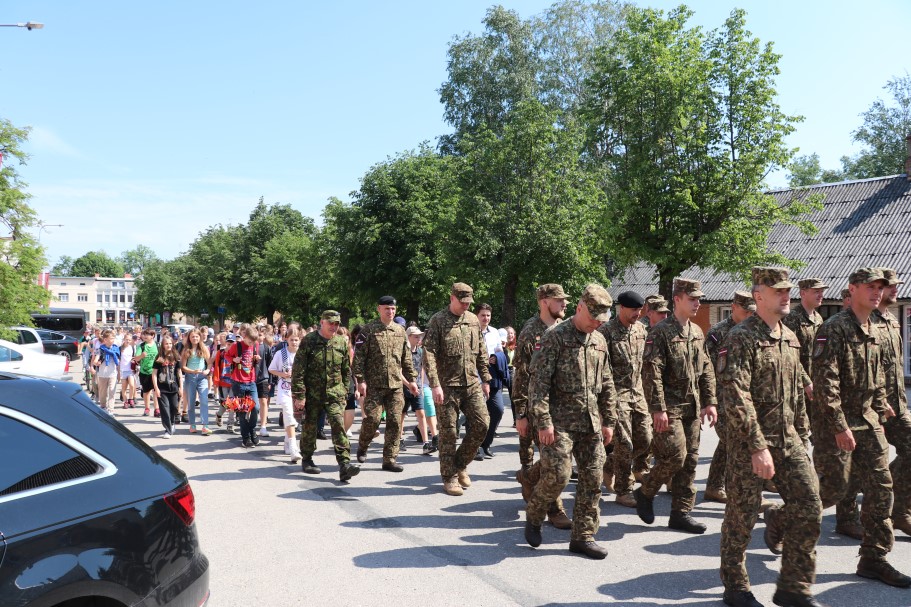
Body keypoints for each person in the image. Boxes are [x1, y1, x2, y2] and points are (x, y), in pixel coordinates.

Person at [717, 267, 825, 607]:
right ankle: (735, 587)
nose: (785, 295)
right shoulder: (741, 337)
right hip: (750, 444)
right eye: (778, 290)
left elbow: (796, 394)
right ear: (758, 296)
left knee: (810, 506)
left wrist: (802, 434)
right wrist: (756, 445)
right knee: (741, 517)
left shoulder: (789, 337)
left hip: (789, 440)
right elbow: (736, 394)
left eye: (787, 290)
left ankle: (793, 587)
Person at [809, 267, 908, 588]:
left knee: (881, 489)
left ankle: (873, 558)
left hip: (868, 421)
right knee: (833, 490)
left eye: (880, 287)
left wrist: (881, 404)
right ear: (852, 290)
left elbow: (877, 377)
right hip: (835, 424)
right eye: (870, 287)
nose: (877, 292)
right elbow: (825, 383)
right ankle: (781, 519)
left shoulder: (875, 329)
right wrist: (839, 426)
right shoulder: (833, 328)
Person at [524, 284, 617, 559]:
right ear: (579, 308)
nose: (596, 324)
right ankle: (535, 513)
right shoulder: (555, 337)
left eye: (601, 320)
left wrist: (609, 420)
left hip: (590, 423)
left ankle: (583, 536)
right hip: (559, 422)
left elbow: (607, 383)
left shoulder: (599, 341)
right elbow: (538, 385)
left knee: (593, 478)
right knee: (559, 475)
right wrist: (543, 422)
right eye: (593, 318)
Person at [636, 278, 718, 534]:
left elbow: (706, 369)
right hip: (669, 406)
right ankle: (646, 490)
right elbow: (652, 373)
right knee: (675, 456)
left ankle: (681, 513)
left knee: (690, 461)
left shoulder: (697, 332)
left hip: (691, 406)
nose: (697, 303)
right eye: (692, 299)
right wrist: (657, 408)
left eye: (699, 299)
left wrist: (710, 401)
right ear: (677, 300)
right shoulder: (660, 332)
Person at [422, 282, 491, 496]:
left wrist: (486, 378)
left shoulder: (472, 320)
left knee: (482, 424)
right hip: (447, 385)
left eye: (469, 303)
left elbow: (481, 350)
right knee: (449, 432)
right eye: (462, 302)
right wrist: (435, 384)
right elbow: (429, 354)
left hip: (471, 383)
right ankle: (449, 477)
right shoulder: (438, 320)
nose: (466, 306)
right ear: (452, 298)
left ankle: (460, 463)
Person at [514, 283, 572, 529]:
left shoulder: (566, 328)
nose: (565, 303)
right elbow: (521, 375)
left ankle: (528, 477)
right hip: (538, 406)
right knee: (553, 461)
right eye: (559, 300)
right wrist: (521, 413)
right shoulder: (531, 332)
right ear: (545, 302)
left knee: (560, 458)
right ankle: (555, 510)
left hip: (564, 407)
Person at [291, 310, 361, 482]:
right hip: (312, 393)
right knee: (310, 426)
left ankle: (344, 464)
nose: (334, 326)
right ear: (322, 322)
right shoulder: (309, 340)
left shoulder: (341, 342)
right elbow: (298, 370)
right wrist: (299, 395)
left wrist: (345, 391)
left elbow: (346, 369)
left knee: (338, 425)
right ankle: (307, 458)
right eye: (330, 323)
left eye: (336, 324)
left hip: (335, 393)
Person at [353, 296, 419, 472]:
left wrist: (412, 381)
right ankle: (363, 445)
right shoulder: (368, 330)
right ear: (379, 309)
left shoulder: (400, 331)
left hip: (395, 385)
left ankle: (389, 459)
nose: (390, 312)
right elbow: (358, 358)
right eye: (387, 308)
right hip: (374, 385)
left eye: (393, 309)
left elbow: (406, 359)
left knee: (395, 422)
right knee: (373, 419)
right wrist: (361, 380)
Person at [598, 290, 649, 509]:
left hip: (638, 393)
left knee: (645, 440)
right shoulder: (606, 332)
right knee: (625, 444)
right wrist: (602, 405)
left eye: (640, 310)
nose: (638, 313)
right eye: (634, 310)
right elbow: (600, 370)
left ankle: (610, 465)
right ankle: (624, 490)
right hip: (616, 395)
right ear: (621, 308)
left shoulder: (641, 330)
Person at [703, 291, 756, 504]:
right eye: (746, 312)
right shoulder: (718, 333)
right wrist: (709, 400)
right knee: (733, 441)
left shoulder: (752, 330)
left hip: (743, 396)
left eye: (752, 312)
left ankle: (714, 486)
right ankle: (740, 492)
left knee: (728, 442)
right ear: (733, 308)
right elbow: (707, 368)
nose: (750, 316)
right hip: (722, 396)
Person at [873, 268, 911, 538]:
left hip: (896, 405)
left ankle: (900, 512)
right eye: (890, 285)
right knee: (845, 479)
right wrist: (880, 401)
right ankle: (783, 515)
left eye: (896, 285)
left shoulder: (892, 321)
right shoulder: (867, 322)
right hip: (873, 408)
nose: (895, 289)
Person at [269, 327, 303, 463]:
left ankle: (287, 441)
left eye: (296, 340)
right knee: (289, 414)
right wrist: (282, 374)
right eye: (291, 340)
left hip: (298, 389)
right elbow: (271, 369)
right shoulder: (281, 353)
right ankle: (294, 448)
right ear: (286, 340)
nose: (294, 342)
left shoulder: (302, 354)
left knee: (295, 416)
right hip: (284, 388)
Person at [225, 324, 261, 448]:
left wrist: (256, 358)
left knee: (255, 407)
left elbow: (253, 359)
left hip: (251, 381)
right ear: (244, 336)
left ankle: (252, 430)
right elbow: (227, 355)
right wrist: (233, 360)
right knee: (242, 411)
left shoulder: (255, 345)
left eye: (253, 342)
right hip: (238, 382)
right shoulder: (237, 345)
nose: (251, 344)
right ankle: (246, 437)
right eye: (250, 342)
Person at [479, 346, 510, 458]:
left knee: (498, 410)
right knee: (475, 415)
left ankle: (486, 444)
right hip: (474, 379)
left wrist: (497, 357)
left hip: (493, 381)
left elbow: (503, 354)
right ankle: (475, 448)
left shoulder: (494, 335)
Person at [181, 328, 212, 436]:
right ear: (189, 338)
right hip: (190, 377)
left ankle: (205, 425)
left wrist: (207, 370)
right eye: (192, 336)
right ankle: (192, 424)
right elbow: (183, 367)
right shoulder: (186, 350)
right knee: (191, 402)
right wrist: (193, 371)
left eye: (197, 336)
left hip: (202, 377)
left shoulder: (204, 348)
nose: (195, 338)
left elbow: (209, 362)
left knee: (204, 400)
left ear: (200, 337)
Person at [151, 335, 181, 438]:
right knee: (165, 409)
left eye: (170, 343)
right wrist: (156, 388)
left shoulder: (176, 356)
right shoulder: (159, 357)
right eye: (166, 344)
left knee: (174, 407)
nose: (168, 345)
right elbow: (154, 374)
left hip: (174, 387)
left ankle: (172, 423)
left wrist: (181, 387)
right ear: (163, 345)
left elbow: (179, 372)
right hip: (162, 388)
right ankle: (167, 430)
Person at [91, 329, 121, 414]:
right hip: (102, 375)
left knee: (112, 391)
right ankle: (103, 406)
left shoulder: (116, 349)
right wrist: (97, 363)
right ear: (105, 340)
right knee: (103, 393)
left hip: (113, 374)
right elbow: (95, 361)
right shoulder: (100, 349)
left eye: (113, 338)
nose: (113, 340)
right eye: (111, 338)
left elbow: (118, 363)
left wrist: (119, 373)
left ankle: (111, 410)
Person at [133, 328, 159, 417]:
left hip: (155, 372)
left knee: (156, 391)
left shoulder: (157, 345)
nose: (144, 336)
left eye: (147, 334)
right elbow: (136, 358)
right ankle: (147, 408)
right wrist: (141, 356)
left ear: (152, 336)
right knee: (146, 391)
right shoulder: (142, 346)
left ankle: (157, 409)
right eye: (144, 334)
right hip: (144, 372)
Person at [119, 332, 137, 408]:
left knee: (132, 385)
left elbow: (134, 357)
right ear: (124, 339)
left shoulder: (132, 347)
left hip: (130, 369)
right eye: (126, 339)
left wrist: (134, 362)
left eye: (129, 340)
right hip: (123, 370)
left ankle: (131, 399)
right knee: (124, 387)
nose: (128, 341)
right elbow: (118, 360)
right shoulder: (120, 348)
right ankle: (125, 401)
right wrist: (118, 372)